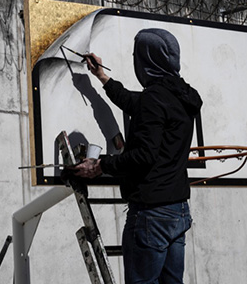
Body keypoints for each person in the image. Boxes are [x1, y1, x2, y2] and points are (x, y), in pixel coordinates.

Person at [72, 28, 203, 284]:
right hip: (177, 210)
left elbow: (144, 156)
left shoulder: (154, 99)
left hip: (151, 214)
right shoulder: (180, 97)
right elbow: (135, 103)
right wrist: (101, 76)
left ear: (146, 60)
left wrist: (100, 166)